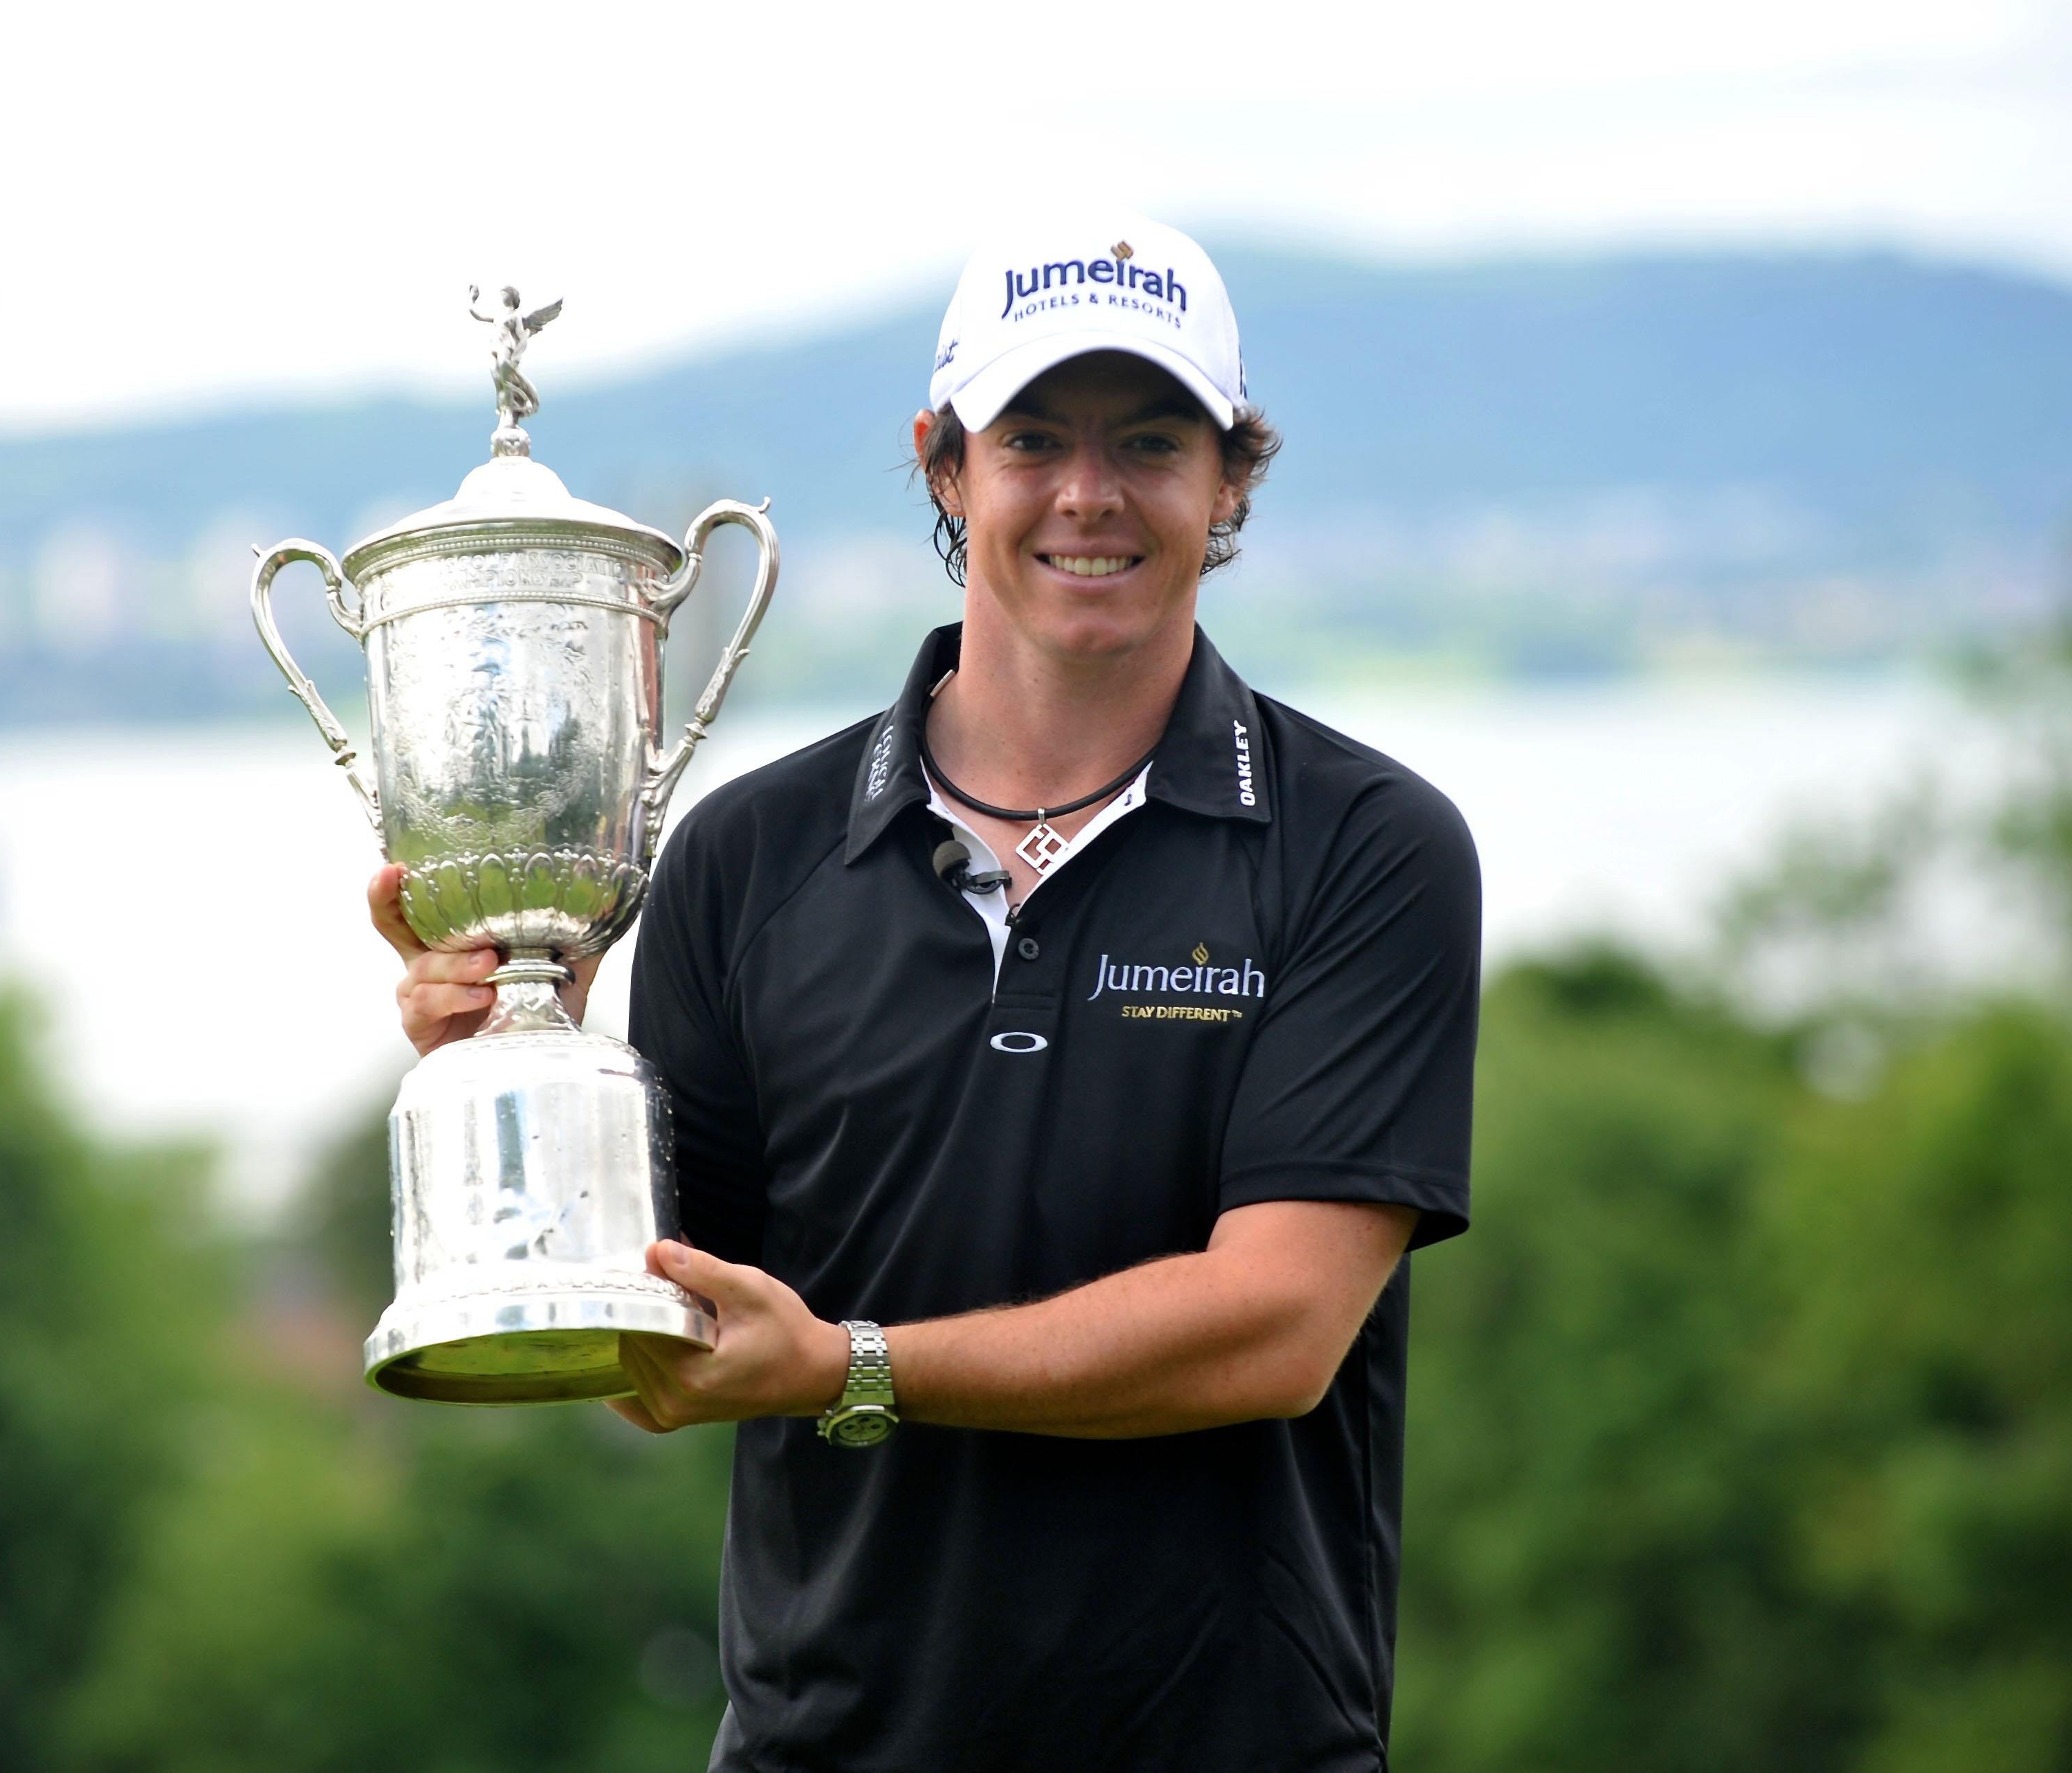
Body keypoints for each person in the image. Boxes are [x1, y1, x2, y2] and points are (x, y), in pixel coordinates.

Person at [373, 213, 1482, 1773]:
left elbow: (1273, 1328)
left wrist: (854, 1367)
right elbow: (667, 1357)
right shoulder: (746, 858)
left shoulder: (1363, 846)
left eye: (1149, 440)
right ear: (944, 462)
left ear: (1230, 478)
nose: (1088, 494)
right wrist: (524, 1078)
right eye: (1032, 436)